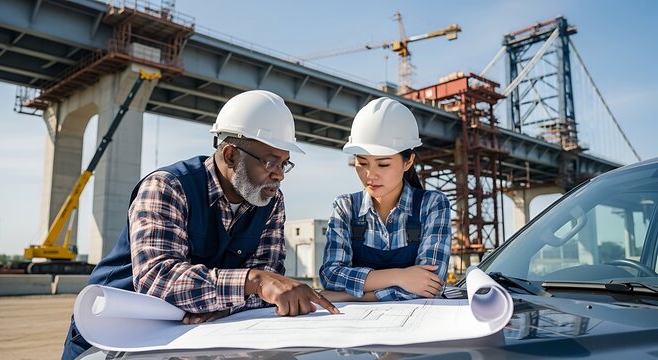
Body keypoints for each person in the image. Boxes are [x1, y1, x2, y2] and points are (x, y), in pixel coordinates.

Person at [62, 90, 339, 359]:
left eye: (285, 164)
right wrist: (251, 281)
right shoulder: (167, 186)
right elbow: (157, 279)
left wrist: (226, 301)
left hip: (193, 336)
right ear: (231, 154)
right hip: (113, 334)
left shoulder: (271, 200)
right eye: (271, 162)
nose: (279, 175)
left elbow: (270, 281)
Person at [319, 97, 451, 302]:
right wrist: (400, 276)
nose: (370, 175)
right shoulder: (345, 207)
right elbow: (330, 275)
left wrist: (349, 296)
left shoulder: (432, 205)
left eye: (383, 164)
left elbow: (430, 284)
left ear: (408, 162)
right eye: (362, 163)